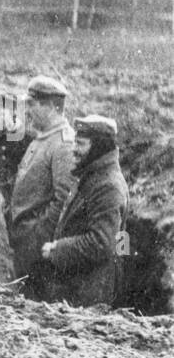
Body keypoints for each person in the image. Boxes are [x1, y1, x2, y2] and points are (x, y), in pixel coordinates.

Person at [40, 115, 129, 307]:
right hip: (78, 288)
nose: (74, 150)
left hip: (90, 295)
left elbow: (101, 243)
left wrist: (58, 250)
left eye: (80, 144)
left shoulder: (108, 186)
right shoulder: (92, 177)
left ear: (99, 147)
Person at [5, 75, 75, 299]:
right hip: (23, 239)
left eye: (32, 105)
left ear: (51, 107)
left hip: (36, 246)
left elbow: (64, 199)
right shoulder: (43, 138)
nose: (27, 111)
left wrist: (37, 238)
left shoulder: (64, 144)